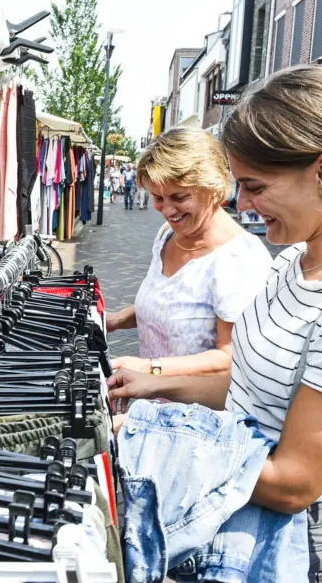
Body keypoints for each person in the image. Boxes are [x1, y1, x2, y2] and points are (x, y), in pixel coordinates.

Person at [108, 65, 322, 582]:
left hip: (287, 547)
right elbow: (256, 384)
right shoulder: (293, 262)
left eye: (255, 185)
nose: (244, 204)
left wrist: (151, 437)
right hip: (233, 524)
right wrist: (162, 385)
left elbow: (293, 482)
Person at [107, 128, 272, 421]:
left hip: (196, 423)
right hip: (150, 405)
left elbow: (228, 360)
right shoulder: (167, 235)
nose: (166, 210)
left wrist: (150, 369)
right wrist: (119, 319)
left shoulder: (238, 259)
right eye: (157, 197)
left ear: (213, 187)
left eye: (179, 197)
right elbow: (172, 302)